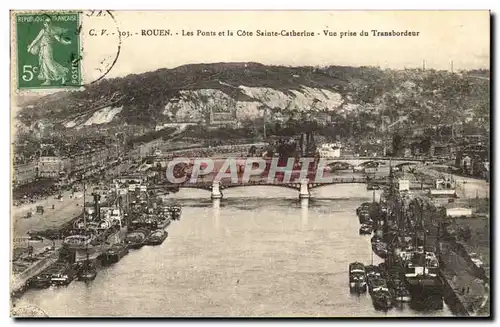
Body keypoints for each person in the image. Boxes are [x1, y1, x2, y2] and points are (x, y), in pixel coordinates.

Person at [27, 17, 71, 86]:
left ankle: (63, 75)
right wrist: (30, 47)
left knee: (50, 64)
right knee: (44, 64)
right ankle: (48, 80)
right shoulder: (43, 30)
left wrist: (66, 42)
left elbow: (59, 39)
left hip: (48, 48)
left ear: (50, 23)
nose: (47, 24)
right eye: (45, 22)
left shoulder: (52, 31)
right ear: (44, 23)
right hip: (42, 49)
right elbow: (36, 39)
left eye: (48, 22)